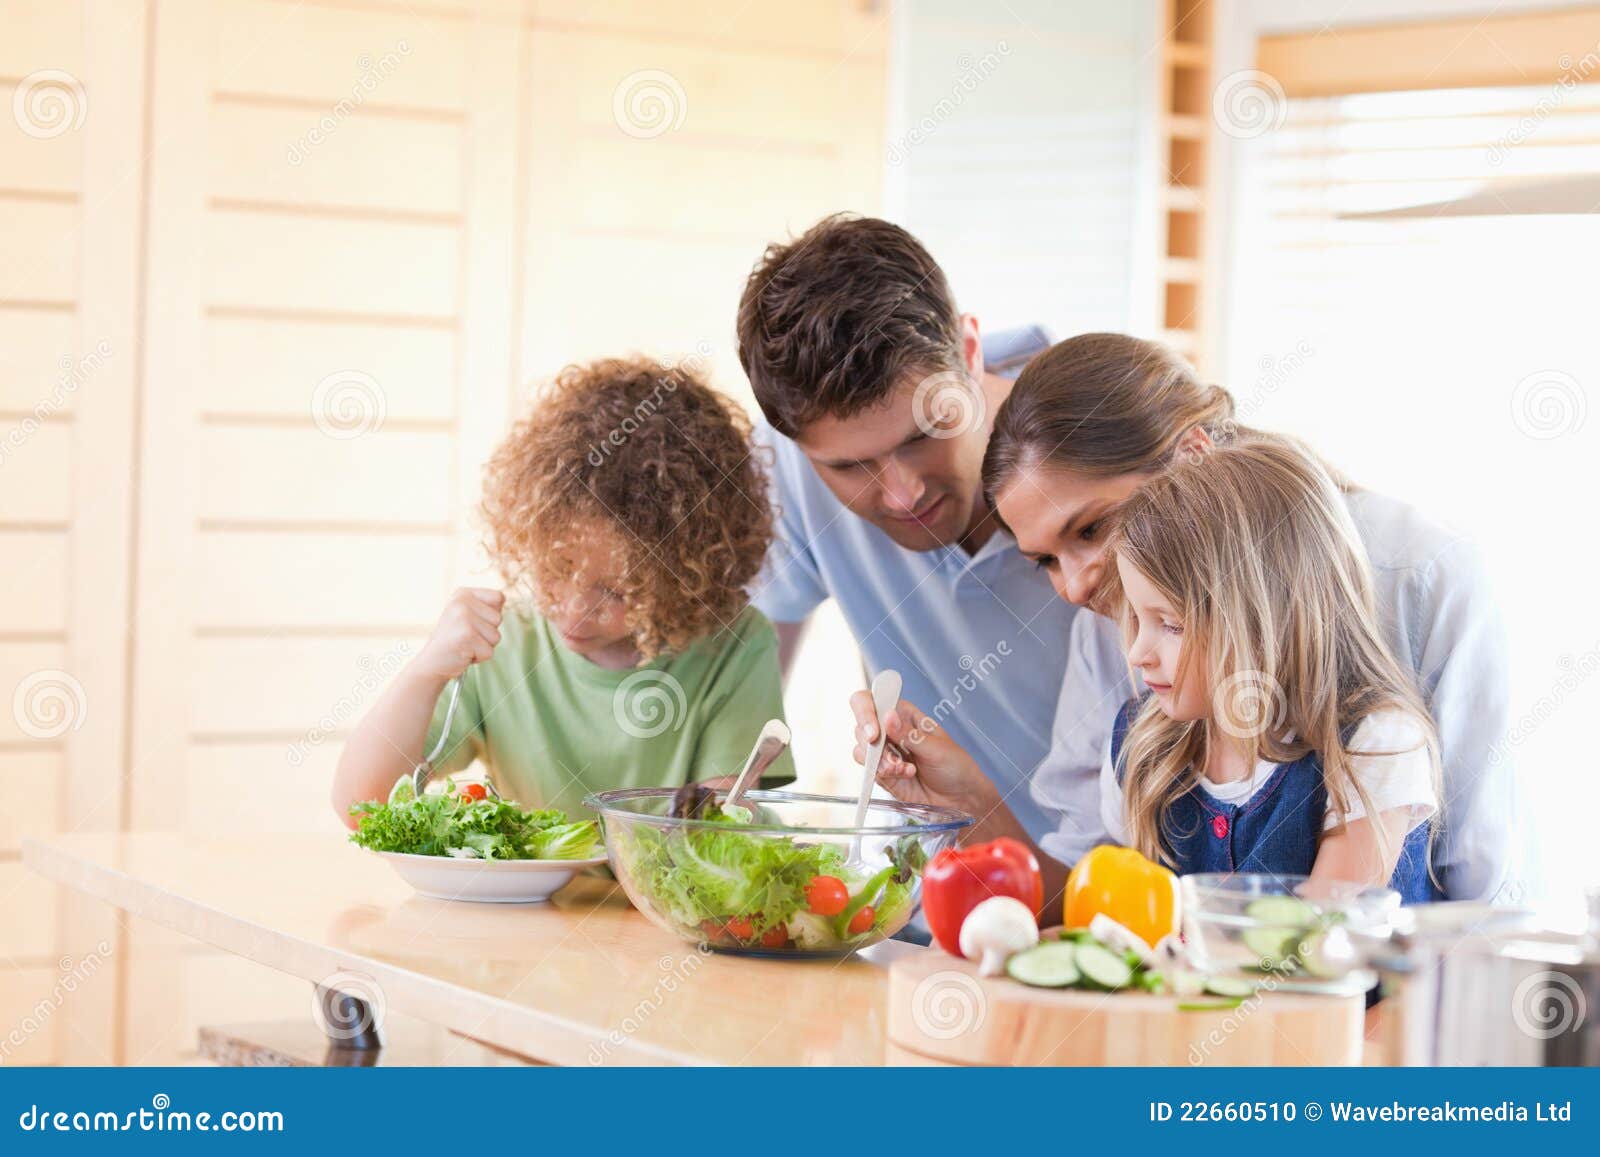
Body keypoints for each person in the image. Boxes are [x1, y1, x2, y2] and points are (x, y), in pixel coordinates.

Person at [853, 333, 1519, 911]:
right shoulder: (1120, 657)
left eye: (1092, 527)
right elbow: (1095, 899)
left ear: (1193, 459)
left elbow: (1483, 908)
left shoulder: (1422, 578)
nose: (1080, 584)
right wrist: (970, 799)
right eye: (1045, 561)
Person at [330, 356, 794, 825]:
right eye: (556, 568)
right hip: (530, 902)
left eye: (617, 591)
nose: (573, 611)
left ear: (687, 582)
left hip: (668, 896)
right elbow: (361, 805)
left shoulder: (735, 646)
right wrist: (425, 672)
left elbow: (723, 829)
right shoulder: (503, 644)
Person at [737, 213, 1070, 840]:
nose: (903, 493)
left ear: (970, 352)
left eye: (923, 436)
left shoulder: (1106, 453)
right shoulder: (786, 460)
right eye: (847, 466)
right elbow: (740, 675)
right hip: (924, 913)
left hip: (1125, 913)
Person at [1100, 438, 1439, 897]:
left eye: (1172, 624)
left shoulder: (1373, 744)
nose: (1139, 652)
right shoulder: (1140, 743)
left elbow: (1315, 943)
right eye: (1138, 619)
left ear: (1269, 620)